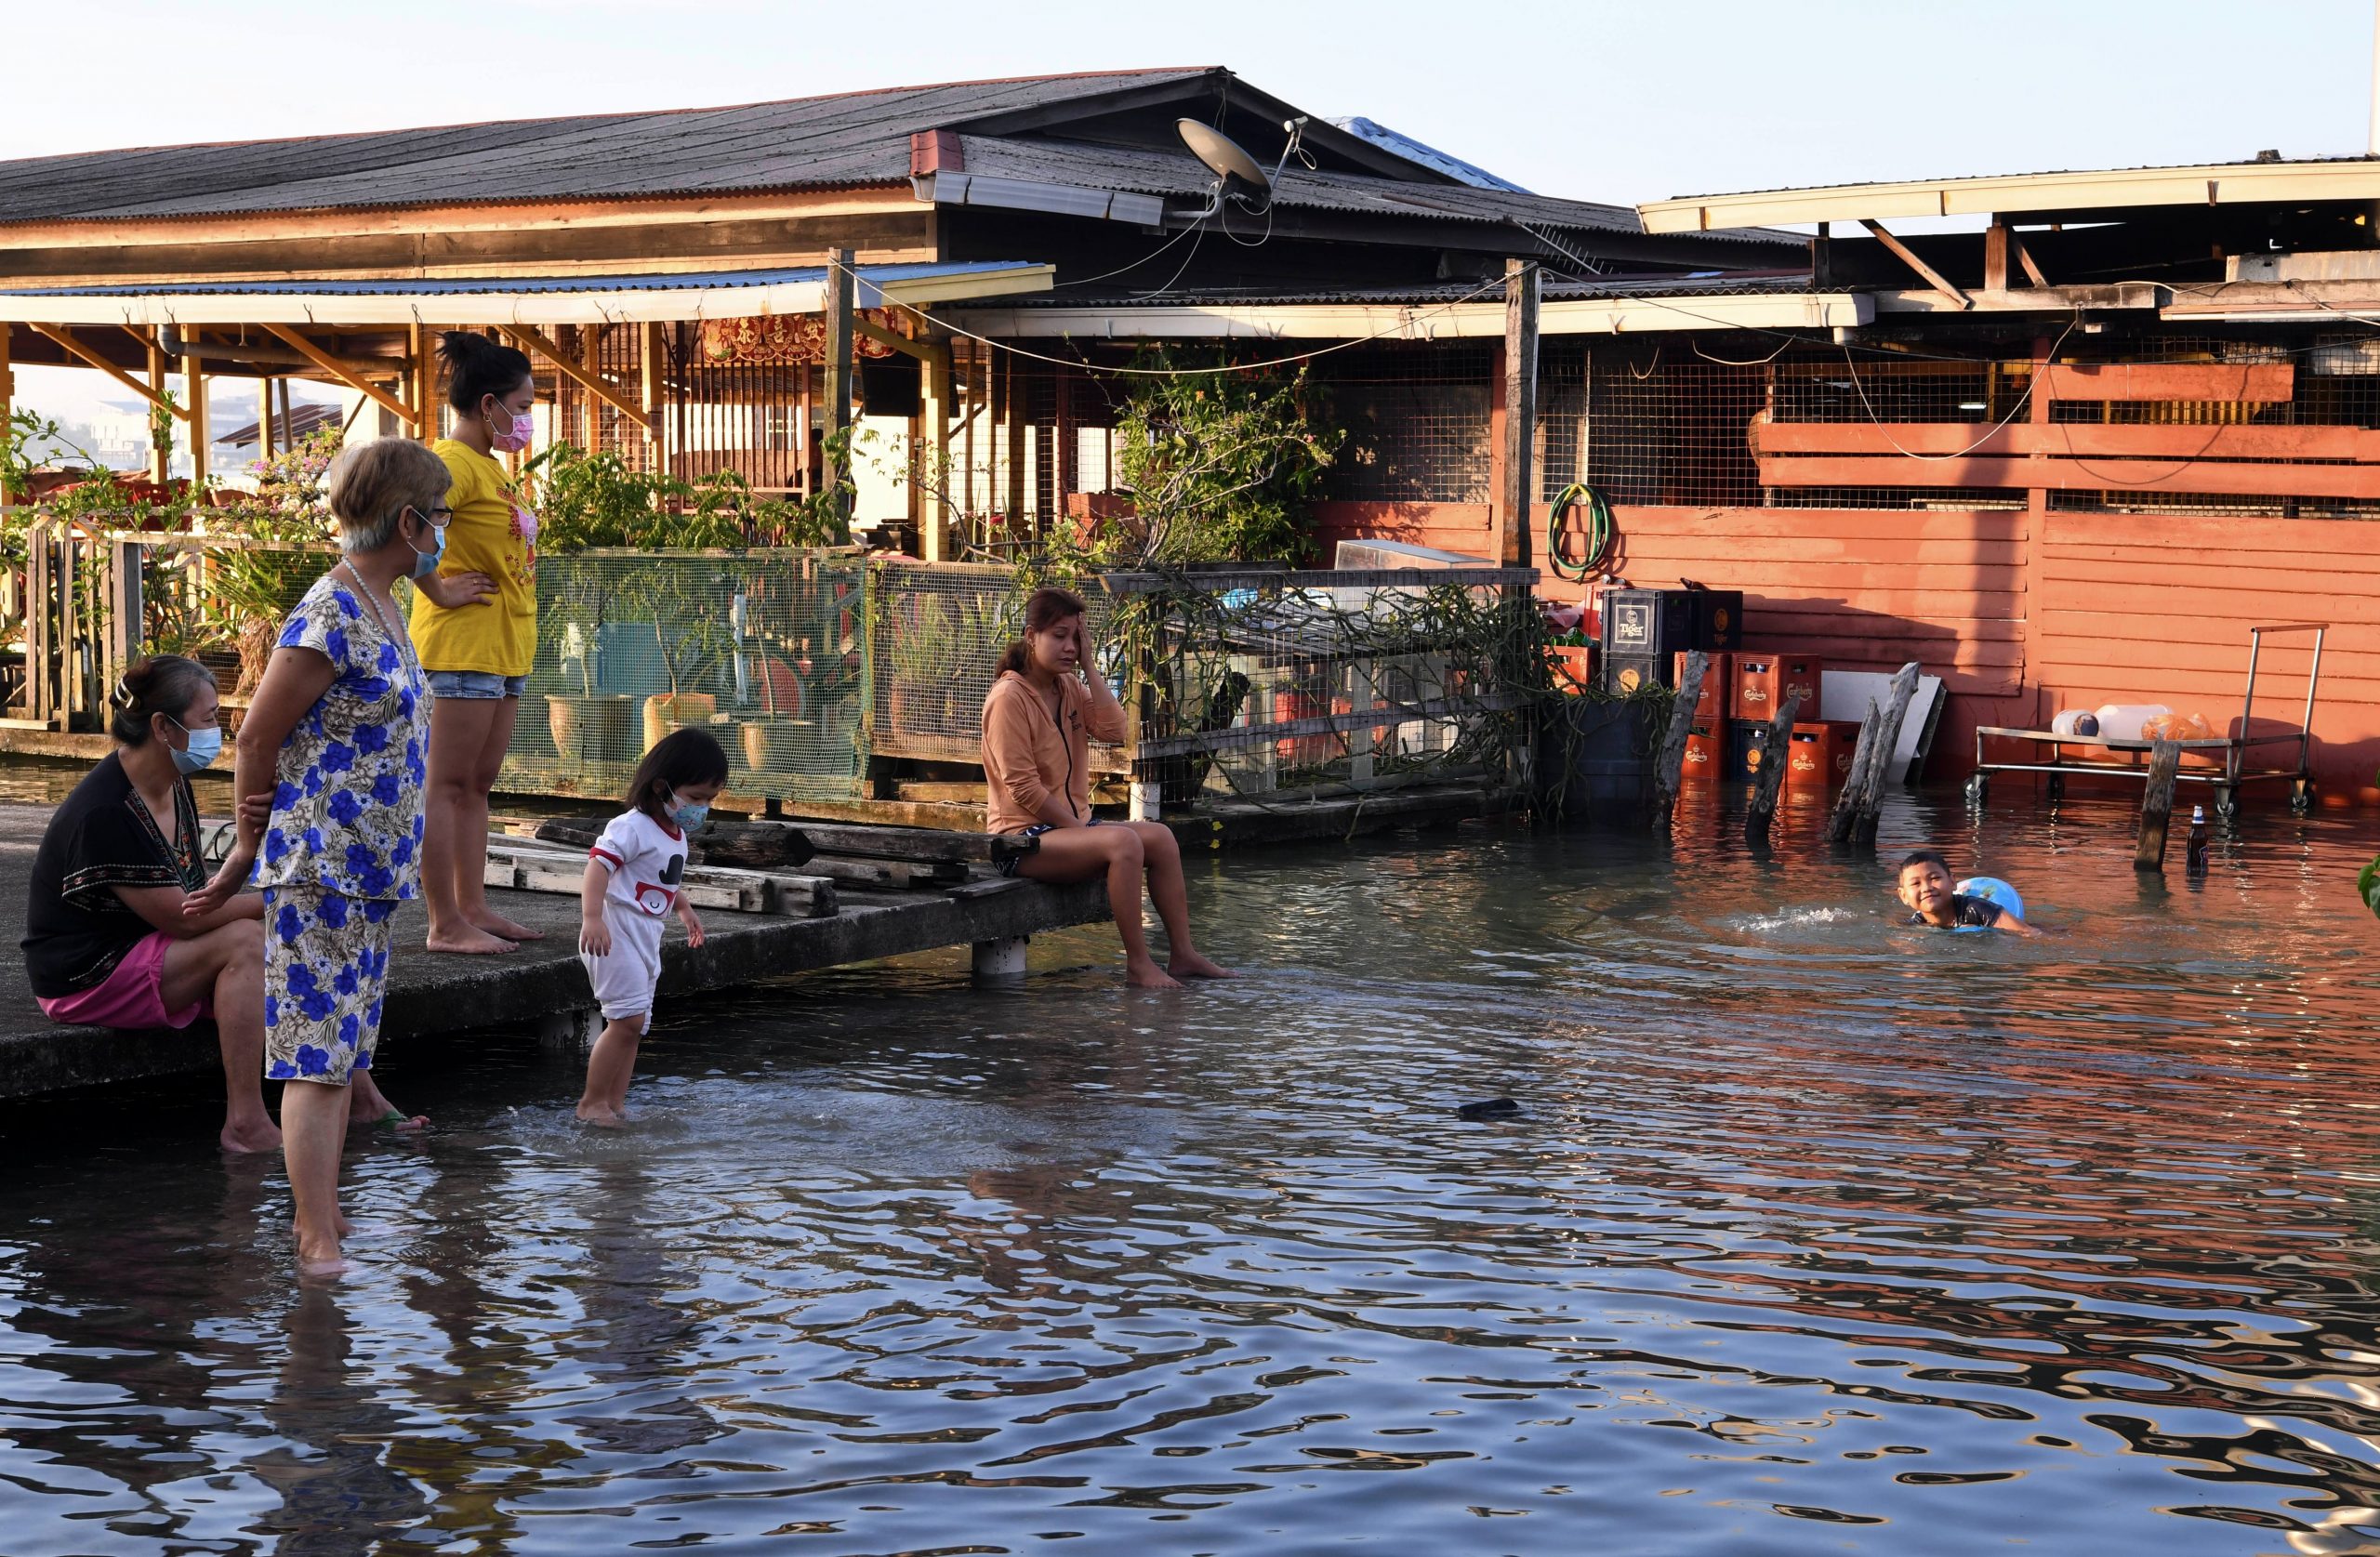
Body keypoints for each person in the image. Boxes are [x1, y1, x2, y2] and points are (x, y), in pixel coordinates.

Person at [190, 437, 465, 1275]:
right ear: (410, 521)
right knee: (315, 1056)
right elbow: (258, 733)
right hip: (320, 865)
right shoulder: (329, 612)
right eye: (440, 516)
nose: (445, 530)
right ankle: (312, 1236)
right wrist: (245, 846)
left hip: (371, 871)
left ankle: (329, 1217)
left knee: (345, 1055)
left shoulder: (385, 599)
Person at [21, 655, 284, 1152]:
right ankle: (246, 1123)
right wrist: (270, 903)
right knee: (249, 941)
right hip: (84, 976)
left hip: (144, 948)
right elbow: (186, 919)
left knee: (292, 937)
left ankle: (357, 1095)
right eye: (209, 719)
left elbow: (195, 894)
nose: (219, 733)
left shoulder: (168, 782)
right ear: (164, 726)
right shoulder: (105, 812)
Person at [979, 587, 1231, 989]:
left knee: (1162, 837)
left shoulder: (1069, 688)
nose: (1068, 646)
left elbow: (1115, 730)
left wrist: (1090, 666)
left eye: (1076, 637)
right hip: (1020, 841)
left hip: (1068, 830)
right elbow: (1023, 789)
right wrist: (1081, 832)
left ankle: (1183, 954)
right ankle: (1139, 963)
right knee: (1124, 843)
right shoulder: (1009, 698)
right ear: (1031, 636)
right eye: (1059, 636)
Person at [416, 330, 541, 955]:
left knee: (478, 784)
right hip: (460, 649)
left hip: (504, 648)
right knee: (446, 785)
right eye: (520, 407)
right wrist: (437, 589)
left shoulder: (491, 467)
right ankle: (444, 923)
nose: (525, 420)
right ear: (488, 404)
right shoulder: (452, 463)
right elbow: (406, 519)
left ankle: (473, 905)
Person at [573, 728, 726, 1126]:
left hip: (645, 936)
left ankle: (614, 1103)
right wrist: (592, 917)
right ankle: (592, 1103)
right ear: (662, 786)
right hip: (614, 932)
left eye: (709, 800)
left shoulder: (675, 836)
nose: (702, 809)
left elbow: (660, 883)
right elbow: (598, 867)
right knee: (625, 1019)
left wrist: (685, 908)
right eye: (695, 798)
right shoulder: (632, 825)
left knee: (635, 1025)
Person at [1896, 850, 2037, 935]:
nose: (1926, 888)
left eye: (1935, 878)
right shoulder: (1914, 925)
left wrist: (1983, 933)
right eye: (1915, 883)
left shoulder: (1977, 909)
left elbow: (2028, 933)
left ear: (1952, 882)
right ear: (1903, 896)